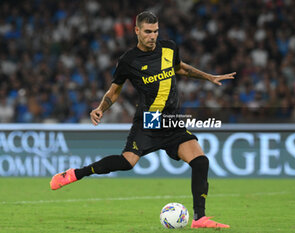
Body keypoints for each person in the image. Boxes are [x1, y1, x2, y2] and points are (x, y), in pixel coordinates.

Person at [50, 11, 235, 229]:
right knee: (126, 162)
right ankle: (75, 174)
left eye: (156, 31)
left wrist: (209, 76)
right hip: (149, 121)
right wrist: (100, 108)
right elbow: (114, 91)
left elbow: (180, 68)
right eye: (148, 32)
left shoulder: (169, 47)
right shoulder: (128, 61)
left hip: (172, 122)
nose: (153, 36)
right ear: (137, 31)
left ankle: (199, 218)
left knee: (200, 161)